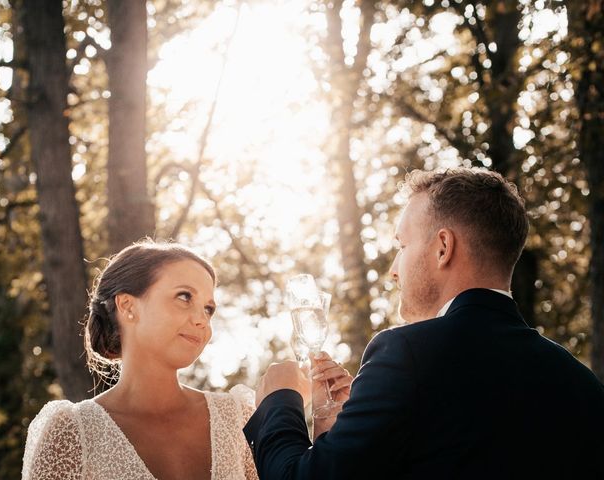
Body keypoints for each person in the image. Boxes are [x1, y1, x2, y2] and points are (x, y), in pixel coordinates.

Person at [244, 168, 604, 479]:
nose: (393, 270)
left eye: (402, 245)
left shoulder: (406, 355)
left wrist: (280, 399)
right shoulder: (582, 384)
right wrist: (338, 433)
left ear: (443, 247)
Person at [22, 240, 257, 479]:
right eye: (184, 297)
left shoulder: (237, 418)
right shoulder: (71, 433)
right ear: (127, 306)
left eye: (208, 309)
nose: (202, 320)